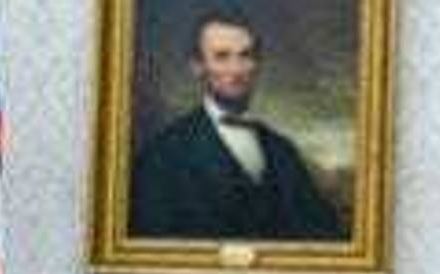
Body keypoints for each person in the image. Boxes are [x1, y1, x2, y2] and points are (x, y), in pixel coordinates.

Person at [130, 9, 343, 240]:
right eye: (222, 57)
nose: (237, 69)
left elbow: (324, 235)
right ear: (197, 67)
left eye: (245, 55)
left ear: (257, 64)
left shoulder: (282, 151)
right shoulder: (163, 155)